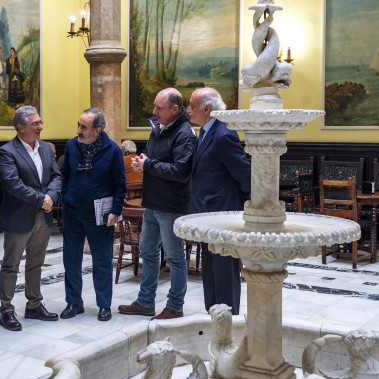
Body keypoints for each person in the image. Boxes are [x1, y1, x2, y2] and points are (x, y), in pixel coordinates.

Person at [118, 88, 197, 320]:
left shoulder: (185, 134)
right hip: (152, 203)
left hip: (171, 206)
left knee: (174, 257)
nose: (154, 111)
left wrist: (148, 165)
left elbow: (181, 171)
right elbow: (155, 159)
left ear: (175, 109)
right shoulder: (158, 128)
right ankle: (145, 302)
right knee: (148, 252)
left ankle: (174, 306)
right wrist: (142, 161)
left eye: (159, 108)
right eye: (154, 106)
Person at [0, 106, 62, 331]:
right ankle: (6, 309)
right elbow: (13, 185)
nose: (41, 127)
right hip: (19, 216)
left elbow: (56, 176)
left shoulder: (45, 148)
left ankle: (34, 304)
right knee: (11, 265)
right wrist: (41, 199)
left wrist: (51, 197)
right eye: (35, 124)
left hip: (43, 216)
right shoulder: (7, 152)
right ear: (21, 127)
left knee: (36, 263)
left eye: (40, 122)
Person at [187, 87, 251, 315]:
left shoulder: (224, 134)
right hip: (207, 216)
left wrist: (250, 208)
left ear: (206, 109)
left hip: (223, 216)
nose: (188, 110)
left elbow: (245, 174)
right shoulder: (205, 131)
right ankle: (213, 316)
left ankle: (229, 321)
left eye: (192, 106)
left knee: (224, 271)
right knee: (211, 269)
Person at [60, 108, 126, 321]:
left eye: (83, 127)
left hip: (100, 214)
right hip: (72, 212)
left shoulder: (112, 150)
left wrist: (115, 211)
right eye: (78, 124)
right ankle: (73, 302)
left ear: (97, 130)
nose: (78, 130)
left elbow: (120, 184)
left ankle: (104, 305)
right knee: (71, 259)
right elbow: (65, 175)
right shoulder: (71, 145)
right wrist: (66, 196)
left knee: (102, 260)